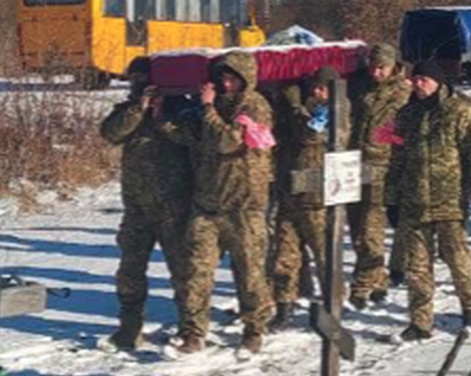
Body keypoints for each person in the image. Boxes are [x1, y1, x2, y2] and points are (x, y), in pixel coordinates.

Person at [163, 51, 276, 354]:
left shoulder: (254, 105)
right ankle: (192, 332)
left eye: (232, 78)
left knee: (250, 272)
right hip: (207, 205)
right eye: (221, 78)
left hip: (244, 206)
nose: (226, 84)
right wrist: (164, 114)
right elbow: (189, 138)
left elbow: (228, 141)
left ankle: (254, 328)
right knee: (195, 272)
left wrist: (208, 107)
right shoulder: (206, 110)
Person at [386, 60, 471, 340]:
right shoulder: (406, 115)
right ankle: (421, 322)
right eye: (415, 79)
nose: (417, 84)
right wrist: (391, 199)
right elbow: (396, 160)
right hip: (414, 202)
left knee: (457, 260)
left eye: (424, 79)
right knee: (417, 267)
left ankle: (470, 310)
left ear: (437, 81)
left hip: (448, 201)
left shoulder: (459, 112)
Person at [98, 57, 193, 351]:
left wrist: (162, 116)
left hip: (174, 206)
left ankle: (190, 329)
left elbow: (193, 138)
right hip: (137, 207)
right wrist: (139, 108)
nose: (137, 83)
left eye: (143, 78)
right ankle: (129, 328)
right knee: (129, 271)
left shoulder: (181, 109)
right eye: (134, 78)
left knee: (184, 271)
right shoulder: (129, 110)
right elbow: (111, 133)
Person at [269, 67, 345, 331]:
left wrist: (294, 107)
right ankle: (284, 306)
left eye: (322, 88)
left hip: (318, 197)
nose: (316, 91)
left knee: (325, 256)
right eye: (313, 86)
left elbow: (311, 135)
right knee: (285, 256)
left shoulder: (337, 112)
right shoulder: (298, 110)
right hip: (289, 193)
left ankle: (333, 306)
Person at [347, 43, 411, 310]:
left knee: (369, 228)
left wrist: (389, 140)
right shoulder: (357, 85)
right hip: (352, 162)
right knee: (355, 226)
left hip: (382, 165)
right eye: (373, 67)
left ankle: (362, 283)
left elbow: (406, 132)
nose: (376, 73)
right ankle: (379, 278)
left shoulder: (403, 93)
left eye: (381, 68)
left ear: (393, 66)